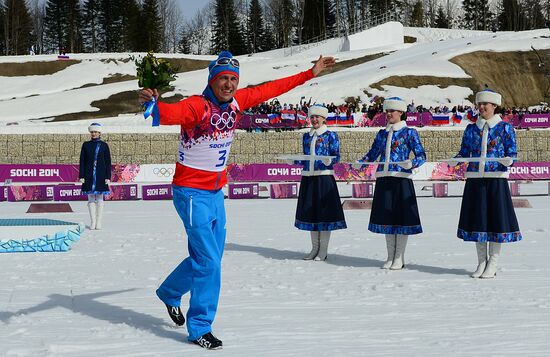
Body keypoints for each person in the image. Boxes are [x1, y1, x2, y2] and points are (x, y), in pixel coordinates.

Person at [138, 51, 335, 349]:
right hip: (191, 194)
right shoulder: (198, 106)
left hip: (216, 192)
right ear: (212, 80)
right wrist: (153, 105)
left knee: (211, 258)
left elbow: (273, 88)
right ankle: (200, 326)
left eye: (233, 79)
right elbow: (172, 113)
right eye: (223, 79)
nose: (228, 85)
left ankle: (169, 291)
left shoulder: (238, 102)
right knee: (208, 263)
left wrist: (310, 73)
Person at [451, 89, 521, 279]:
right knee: (478, 220)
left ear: (494, 106)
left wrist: (509, 161)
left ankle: (493, 262)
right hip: (475, 179)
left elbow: (512, 153)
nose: (481, 107)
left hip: (496, 179)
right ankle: (481, 262)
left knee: (495, 221)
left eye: (486, 104)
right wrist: (455, 160)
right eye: (479, 104)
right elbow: (464, 151)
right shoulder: (471, 129)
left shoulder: (505, 128)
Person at [359, 97, 426, 270]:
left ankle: (399, 256)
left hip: (401, 179)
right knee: (387, 217)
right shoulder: (381, 133)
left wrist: (411, 164)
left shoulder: (409, 132)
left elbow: (421, 156)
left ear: (401, 112)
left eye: (392, 111)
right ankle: (390, 255)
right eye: (387, 111)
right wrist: (361, 162)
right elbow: (372, 153)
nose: (388, 114)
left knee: (401, 218)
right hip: (384, 177)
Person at [294, 105, 347, 261]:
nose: (314, 120)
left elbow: (336, 156)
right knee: (312, 213)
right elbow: (306, 157)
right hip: (309, 177)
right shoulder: (306, 136)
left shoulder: (331, 135)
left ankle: (323, 250)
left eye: (317, 117)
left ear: (324, 118)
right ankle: (314, 248)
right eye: (312, 117)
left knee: (323, 214)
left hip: (324, 178)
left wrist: (328, 160)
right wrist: (294, 161)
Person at [78, 123, 111, 230]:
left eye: (96, 132)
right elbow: (82, 161)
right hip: (88, 175)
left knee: (100, 199)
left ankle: (99, 222)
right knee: (91, 199)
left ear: (99, 133)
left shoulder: (104, 145)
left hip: (101, 175)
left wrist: (108, 176)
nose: (94, 134)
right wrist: (81, 175)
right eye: (92, 132)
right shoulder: (86, 145)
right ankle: (93, 222)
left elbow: (108, 162)